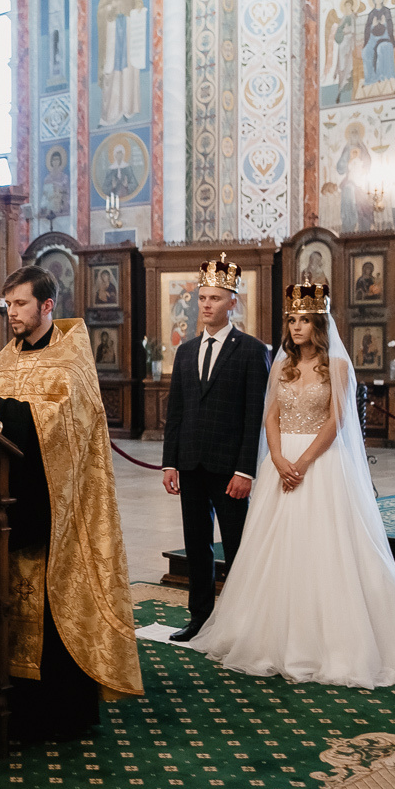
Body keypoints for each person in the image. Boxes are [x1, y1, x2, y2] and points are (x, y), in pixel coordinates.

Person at [192, 283, 395, 687]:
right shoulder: (282, 363)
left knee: (324, 547)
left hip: (320, 465)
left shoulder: (336, 366)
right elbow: (269, 416)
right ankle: (266, 634)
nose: (297, 326)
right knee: (275, 548)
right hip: (280, 463)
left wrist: (301, 462)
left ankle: (328, 642)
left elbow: (337, 422)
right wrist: (279, 458)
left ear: (319, 323)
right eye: (292, 319)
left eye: (304, 319)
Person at [0, 265, 143, 739]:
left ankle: (52, 713)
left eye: (20, 305)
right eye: (7, 306)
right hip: (2, 506)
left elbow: (70, 420)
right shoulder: (5, 358)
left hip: (50, 511)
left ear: (47, 306)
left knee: (44, 602)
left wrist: (6, 409)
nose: (12, 315)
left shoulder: (71, 360)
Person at [161, 256, 270, 642]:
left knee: (237, 546)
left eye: (215, 298)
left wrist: (246, 471)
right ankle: (200, 617)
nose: (206, 305)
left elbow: (254, 415)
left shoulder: (252, 351)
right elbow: (175, 411)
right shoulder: (186, 351)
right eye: (202, 298)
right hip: (190, 463)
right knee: (197, 544)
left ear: (232, 303)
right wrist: (169, 463)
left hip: (229, 469)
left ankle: (243, 622)